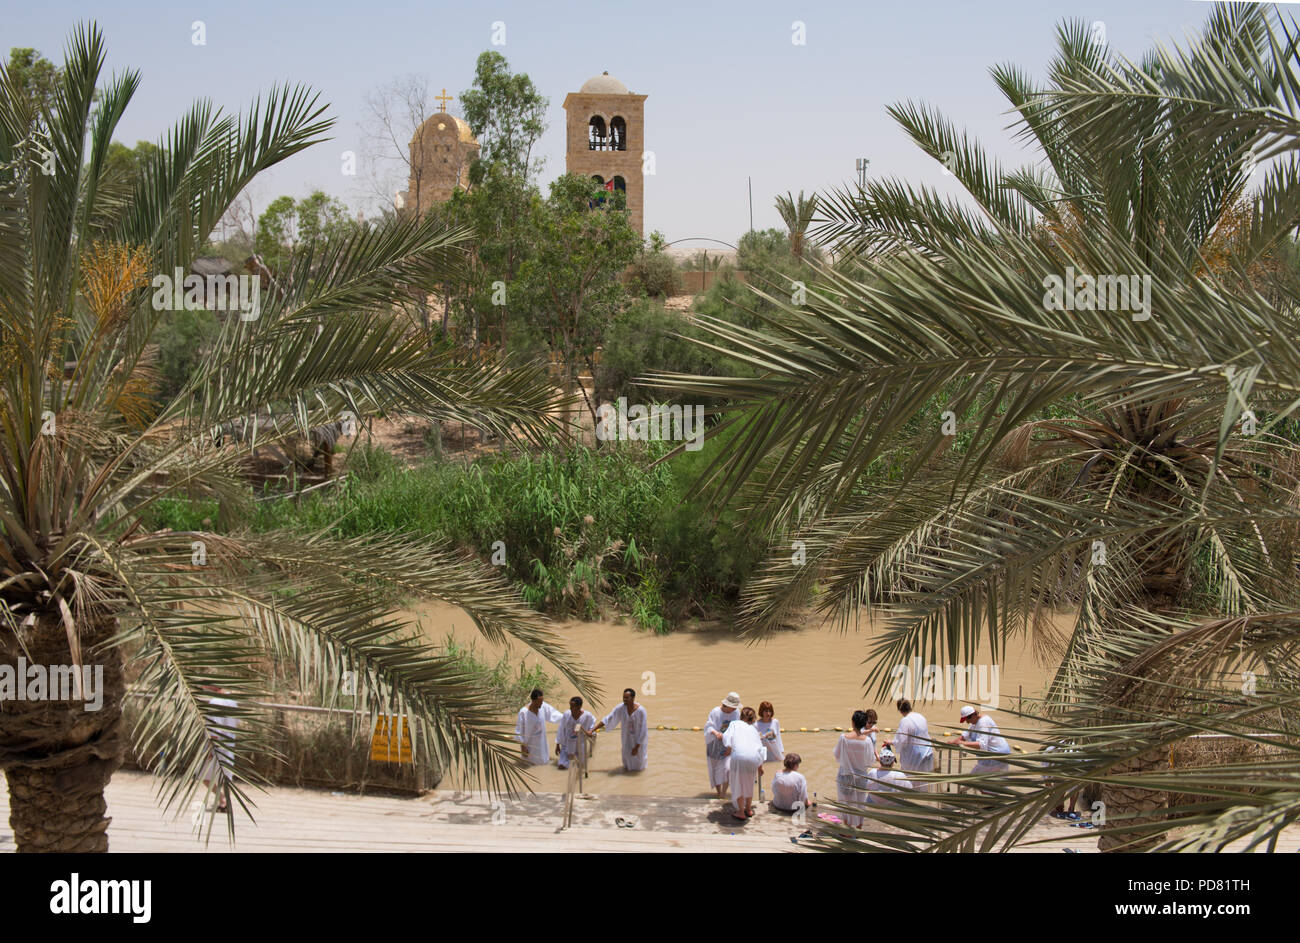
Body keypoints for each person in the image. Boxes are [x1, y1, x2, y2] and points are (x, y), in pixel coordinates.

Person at [833, 709, 879, 828]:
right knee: (860, 803)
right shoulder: (868, 741)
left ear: (852, 722)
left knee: (846, 803)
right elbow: (870, 760)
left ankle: (847, 828)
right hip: (861, 777)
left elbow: (837, 755)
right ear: (864, 724)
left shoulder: (843, 738)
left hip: (845, 775)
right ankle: (858, 828)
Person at [199, 685, 239, 813]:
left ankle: (223, 800)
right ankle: (225, 800)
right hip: (229, 743)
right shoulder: (232, 701)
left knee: (204, 775)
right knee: (224, 776)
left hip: (217, 745)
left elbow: (214, 729)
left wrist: (210, 750)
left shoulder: (215, 702)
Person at [722, 706, 766, 820]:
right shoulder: (754, 730)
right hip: (753, 758)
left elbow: (726, 738)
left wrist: (729, 748)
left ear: (741, 716)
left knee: (738, 784)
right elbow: (759, 749)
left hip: (739, 756)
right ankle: (749, 809)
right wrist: (760, 767)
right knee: (749, 783)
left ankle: (741, 812)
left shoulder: (734, 724)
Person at [592, 688, 649, 771]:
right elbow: (608, 718)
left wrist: (637, 747)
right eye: (623, 697)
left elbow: (644, 731)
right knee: (627, 762)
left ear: (633, 698)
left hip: (638, 742)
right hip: (626, 739)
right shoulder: (621, 708)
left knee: (639, 765)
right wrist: (593, 729)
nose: (624, 700)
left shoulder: (641, 711)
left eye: (627, 698)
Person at [948, 705, 1011, 774]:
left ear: (972, 716)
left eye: (967, 720)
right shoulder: (974, 723)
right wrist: (952, 742)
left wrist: (962, 743)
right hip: (990, 756)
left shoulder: (983, 723)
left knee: (974, 779)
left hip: (997, 755)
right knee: (993, 781)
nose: (967, 722)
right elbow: (965, 735)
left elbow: (981, 745)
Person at [705, 692, 742, 798]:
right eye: (733, 707)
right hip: (714, 744)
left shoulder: (736, 713)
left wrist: (731, 746)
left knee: (728, 768)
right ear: (728, 705)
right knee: (715, 769)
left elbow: (737, 728)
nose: (734, 709)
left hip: (729, 745)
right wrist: (716, 733)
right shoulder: (715, 712)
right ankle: (719, 792)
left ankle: (725, 791)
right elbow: (708, 727)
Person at [894, 698, 934, 791]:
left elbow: (902, 740)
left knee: (910, 785)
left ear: (900, 710)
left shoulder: (905, 720)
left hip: (914, 757)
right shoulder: (921, 716)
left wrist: (892, 742)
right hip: (928, 753)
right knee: (924, 784)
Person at [515, 688, 563, 766]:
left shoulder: (543, 706)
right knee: (530, 765)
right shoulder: (523, 712)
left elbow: (554, 714)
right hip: (530, 745)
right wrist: (523, 747)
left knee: (543, 762)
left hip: (541, 743)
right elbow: (519, 732)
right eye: (539, 702)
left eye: (542, 701)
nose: (541, 704)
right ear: (533, 701)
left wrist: (568, 718)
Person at [555, 696, 597, 770]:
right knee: (561, 766)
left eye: (573, 706)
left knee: (579, 767)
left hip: (580, 745)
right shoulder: (567, 714)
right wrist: (558, 744)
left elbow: (592, 724)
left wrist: (590, 731)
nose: (571, 708)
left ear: (579, 707)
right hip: (567, 744)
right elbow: (561, 729)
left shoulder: (587, 716)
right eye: (570, 706)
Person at [755, 701, 784, 771]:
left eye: (769, 711)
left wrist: (781, 750)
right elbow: (755, 740)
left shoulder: (775, 722)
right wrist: (765, 736)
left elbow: (779, 738)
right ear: (761, 712)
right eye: (765, 711)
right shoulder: (756, 724)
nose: (768, 713)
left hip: (775, 752)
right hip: (763, 753)